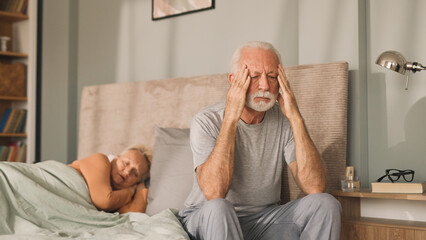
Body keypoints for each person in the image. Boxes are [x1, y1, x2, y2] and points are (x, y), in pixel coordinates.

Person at [178, 41, 341, 240]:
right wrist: (230, 118)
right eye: (254, 76)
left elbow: (315, 186)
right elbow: (214, 191)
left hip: (264, 220)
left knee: (325, 204)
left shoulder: (285, 120)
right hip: (208, 216)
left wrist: (296, 117)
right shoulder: (207, 120)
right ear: (233, 80)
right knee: (219, 207)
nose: (264, 85)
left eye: (272, 77)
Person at [69, 144, 151, 214]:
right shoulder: (100, 159)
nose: (127, 172)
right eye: (126, 163)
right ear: (115, 158)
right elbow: (104, 201)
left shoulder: (118, 199)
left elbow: (131, 218)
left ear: (136, 183)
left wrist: (141, 190)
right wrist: (129, 192)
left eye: (135, 174)